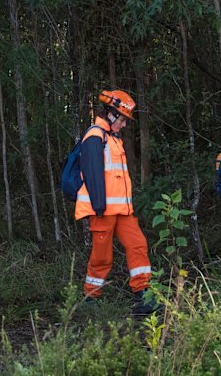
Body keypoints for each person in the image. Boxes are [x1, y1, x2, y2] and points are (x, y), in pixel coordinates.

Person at [75, 89, 158, 314]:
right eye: (122, 119)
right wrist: (99, 206)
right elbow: (92, 174)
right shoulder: (95, 136)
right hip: (102, 210)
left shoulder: (113, 138)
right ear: (110, 114)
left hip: (122, 210)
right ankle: (91, 298)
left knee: (137, 245)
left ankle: (144, 295)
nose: (123, 124)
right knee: (102, 256)